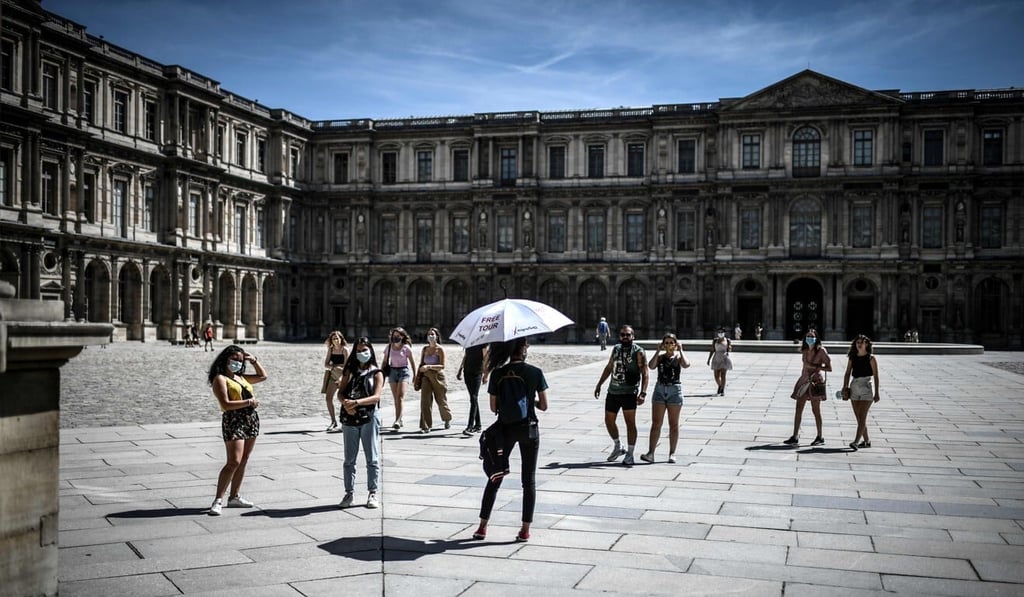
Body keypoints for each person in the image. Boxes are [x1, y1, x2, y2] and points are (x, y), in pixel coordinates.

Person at [472, 337, 548, 543]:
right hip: (529, 429)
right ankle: (525, 530)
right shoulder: (535, 373)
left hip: (505, 430)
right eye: (527, 345)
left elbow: (493, 408)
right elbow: (543, 406)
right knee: (528, 480)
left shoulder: (497, 373)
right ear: (522, 348)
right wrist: (526, 398)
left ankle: (482, 527)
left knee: (495, 477)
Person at [207, 345, 267, 515]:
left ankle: (234, 497)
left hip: (250, 420)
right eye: (234, 359)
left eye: (240, 361)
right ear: (225, 359)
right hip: (234, 421)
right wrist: (249, 402)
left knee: (244, 460)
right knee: (233, 461)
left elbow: (263, 376)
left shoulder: (241, 377)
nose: (237, 363)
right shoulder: (220, 378)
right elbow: (225, 404)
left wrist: (253, 360)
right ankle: (218, 499)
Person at [337, 337, 385, 509]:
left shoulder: (377, 372)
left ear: (371, 351)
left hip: (369, 417)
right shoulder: (349, 371)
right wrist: (345, 404)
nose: (361, 353)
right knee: (349, 459)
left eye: (365, 350)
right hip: (349, 417)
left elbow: (376, 397)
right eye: (358, 350)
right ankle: (349, 493)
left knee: (372, 457)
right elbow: (340, 393)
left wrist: (356, 403)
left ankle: (373, 493)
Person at [594, 325, 648, 465]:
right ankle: (618, 445)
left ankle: (630, 453)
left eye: (628, 335)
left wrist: (643, 393)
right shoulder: (616, 349)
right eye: (623, 334)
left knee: (630, 423)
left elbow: (645, 373)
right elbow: (609, 367)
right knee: (608, 420)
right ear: (619, 336)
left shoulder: (639, 352)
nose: (625, 337)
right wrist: (599, 384)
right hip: (613, 391)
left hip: (629, 392)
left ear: (633, 336)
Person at [641, 333, 690, 464]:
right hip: (660, 389)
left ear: (675, 344)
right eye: (666, 343)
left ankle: (672, 453)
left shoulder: (678, 357)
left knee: (673, 424)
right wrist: (657, 351)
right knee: (656, 423)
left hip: (674, 389)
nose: (669, 345)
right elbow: (651, 366)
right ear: (663, 345)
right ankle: (651, 453)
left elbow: (686, 364)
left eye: (671, 343)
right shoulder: (661, 357)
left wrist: (681, 350)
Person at [784, 328, 832, 446]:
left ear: (816, 338)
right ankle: (795, 436)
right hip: (804, 380)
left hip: (815, 382)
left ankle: (820, 436)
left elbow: (829, 368)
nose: (810, 339)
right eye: (808, 336)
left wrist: (815, 366)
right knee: (798, 408)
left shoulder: (821, 351)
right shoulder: (804, 350)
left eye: (812, 336)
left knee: (815, 410)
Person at [841, 334, 880, 449]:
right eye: (857, 342)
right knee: (859, 418)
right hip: (854, 387)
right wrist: (845, 387)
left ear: (866, 344)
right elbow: (847, 373)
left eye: (861, 342)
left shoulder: (871, 358)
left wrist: (877, 392)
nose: (859, 344)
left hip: (866, 387)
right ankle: (867, 441)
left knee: (862, 417)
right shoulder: (852, 357)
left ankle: (856, 442)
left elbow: (876, 376)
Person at [417, 327, 453, 433]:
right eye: (429, 334)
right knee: (425, 401)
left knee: (441, 400)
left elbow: (442, 366)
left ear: (437, 336)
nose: (430, 336)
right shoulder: (425, 349)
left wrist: (429, 367)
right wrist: (420, 372)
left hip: (438, 377)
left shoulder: (440, 349)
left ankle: (447, 418)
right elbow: (422, 363)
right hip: (426, 377)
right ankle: (426, 425)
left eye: (432, 334)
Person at [382, 327, 416, 430]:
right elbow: (384, 362)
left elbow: (412, 362)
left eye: (398, 335)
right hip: (392, 372)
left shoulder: (406, 348)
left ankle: (397, 420)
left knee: (400, 396)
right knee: (396, 398)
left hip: (403, 372)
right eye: (394, 335)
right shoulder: (388, 347)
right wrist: (380, 375)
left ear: (402, 336)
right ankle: (399, 419)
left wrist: (415, 375)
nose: (395, 337)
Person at [457, 344, 488, 434]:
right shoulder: (469, 343)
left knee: (474, 398)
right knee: (473, 398)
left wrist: (485, 375)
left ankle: (470, 426)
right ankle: (478, 425)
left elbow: (486, 359)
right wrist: (460, 369)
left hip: (477, 373)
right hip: (467, 372)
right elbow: (466, 356)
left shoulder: (483, 345)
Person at [322, 330, 349, 433]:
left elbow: (348, 365)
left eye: (337, 338)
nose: (335, 340)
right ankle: (333, 421)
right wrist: (333, 366)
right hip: (333, 376)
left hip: (344, 377)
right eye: (333, 339)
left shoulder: (345, 350)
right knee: (328, 398)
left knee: (343, 399)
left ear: (341, 339)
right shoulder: (331, 349)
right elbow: (326, 364)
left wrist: (342, 370)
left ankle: (345, 420)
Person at [706, 328, 732, 396]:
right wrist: (709, 359)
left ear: (724, 333)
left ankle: (722, 390)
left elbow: (729, 348)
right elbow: (712, 350)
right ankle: (720, 385)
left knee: (723, 375)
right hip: (716, 358)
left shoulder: (728, 340)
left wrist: (728, 350)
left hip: (724, 358)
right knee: (716, 376)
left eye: (722, 332)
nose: (720, 333)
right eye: (719, 332)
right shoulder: (715, 340)